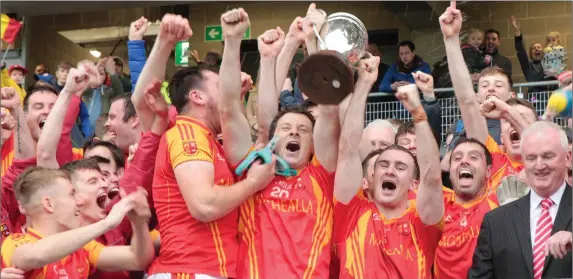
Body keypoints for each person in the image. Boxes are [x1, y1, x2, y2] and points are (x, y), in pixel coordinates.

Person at [137, 14, 270, 279]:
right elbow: (204, 205)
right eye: (221, 86)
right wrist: (253, 183)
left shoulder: (210, 140)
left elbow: (234, 114)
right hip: (189, 272)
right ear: (197, 96)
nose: (229, 91)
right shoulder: (187, 132)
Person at [217, 5, 342, 278]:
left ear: (313, 146)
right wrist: (265, 53)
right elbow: (243, 114)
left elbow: (330, 109)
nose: (294, 133)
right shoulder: (254, 170)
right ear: (273, 140)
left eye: (303, 130)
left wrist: (312, 40)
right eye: (285, 128)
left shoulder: (321, 176)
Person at [334, 81, 444, 278]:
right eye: (383, 165)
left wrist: (417, 112)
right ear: (372, 176)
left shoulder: (421, 219)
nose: (390, 170)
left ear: (413, 184)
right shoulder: (352, 212)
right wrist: (363, 84)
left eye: (401, 167)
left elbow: (432, 175)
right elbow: (347, 148)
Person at [1, 167, 154, 278]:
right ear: (49, 204)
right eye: (72, 194)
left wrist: (139, 223)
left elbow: (137, 259)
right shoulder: (16, 243)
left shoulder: (82, 247)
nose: (79, 201)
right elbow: (36, 256)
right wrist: (107, 223)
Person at [468, 121, 572, 279]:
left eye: (547, 156)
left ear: (568, 158)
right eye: (531, 158)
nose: (539, 165)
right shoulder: (495, 221)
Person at [511, 16, 556, 93]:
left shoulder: (550, 63)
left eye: (539, 47)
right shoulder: (528, 67)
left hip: (552, 97)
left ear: (543, 51)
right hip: (535, 99)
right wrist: (518, 33)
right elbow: (521, 52)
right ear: (531, 54)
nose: (536, 49)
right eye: (534, 48)